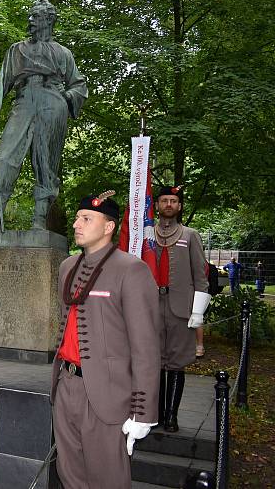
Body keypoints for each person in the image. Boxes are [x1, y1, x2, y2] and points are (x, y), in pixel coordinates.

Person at [51, 193, 160, 489]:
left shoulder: (131, 270)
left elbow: (146, 348)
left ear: (109, 226)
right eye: (76, 218)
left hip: (108, 394)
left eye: (86, 219)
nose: (76, 224)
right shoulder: (67, 267)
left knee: (108, 478)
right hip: (67, 385)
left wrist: (143, 411)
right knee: (69, 473)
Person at [0, 0, 88, 230]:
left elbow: (79, 85)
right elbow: (2, 80)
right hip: (24, 100)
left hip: (53, 103)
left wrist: (67, 98)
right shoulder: (18, 49)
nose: (31, 20)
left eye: (36, 16)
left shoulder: (64, 53)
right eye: (31, 16)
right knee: (5, 158)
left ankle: (39, 221)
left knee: (45, 163)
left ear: (49, 20)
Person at [154, 186, 211, 432]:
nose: (169, 204)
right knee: (154, 362)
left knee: (176, 363)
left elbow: (201, 276)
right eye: (164, 200)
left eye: (173, 201)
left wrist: (198, 312)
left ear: (179, 206)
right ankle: (154, 415)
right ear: (157, 205)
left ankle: (171, 417)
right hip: (151, 307)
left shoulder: (190, 235)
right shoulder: (146, 234)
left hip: (180, 308)